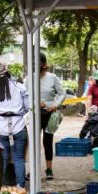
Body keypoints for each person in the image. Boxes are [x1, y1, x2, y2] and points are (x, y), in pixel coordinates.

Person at [38, 52, 66, 180]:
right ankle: (34, 169)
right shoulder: (30, 78)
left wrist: (55, 104)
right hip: (35, 114)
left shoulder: (52, 77)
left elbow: (62, 93)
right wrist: (35, 103)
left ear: (44, 65)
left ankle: (49, 169)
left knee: (47, 141)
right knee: (33, 143)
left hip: (50, 114)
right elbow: (26, 96)